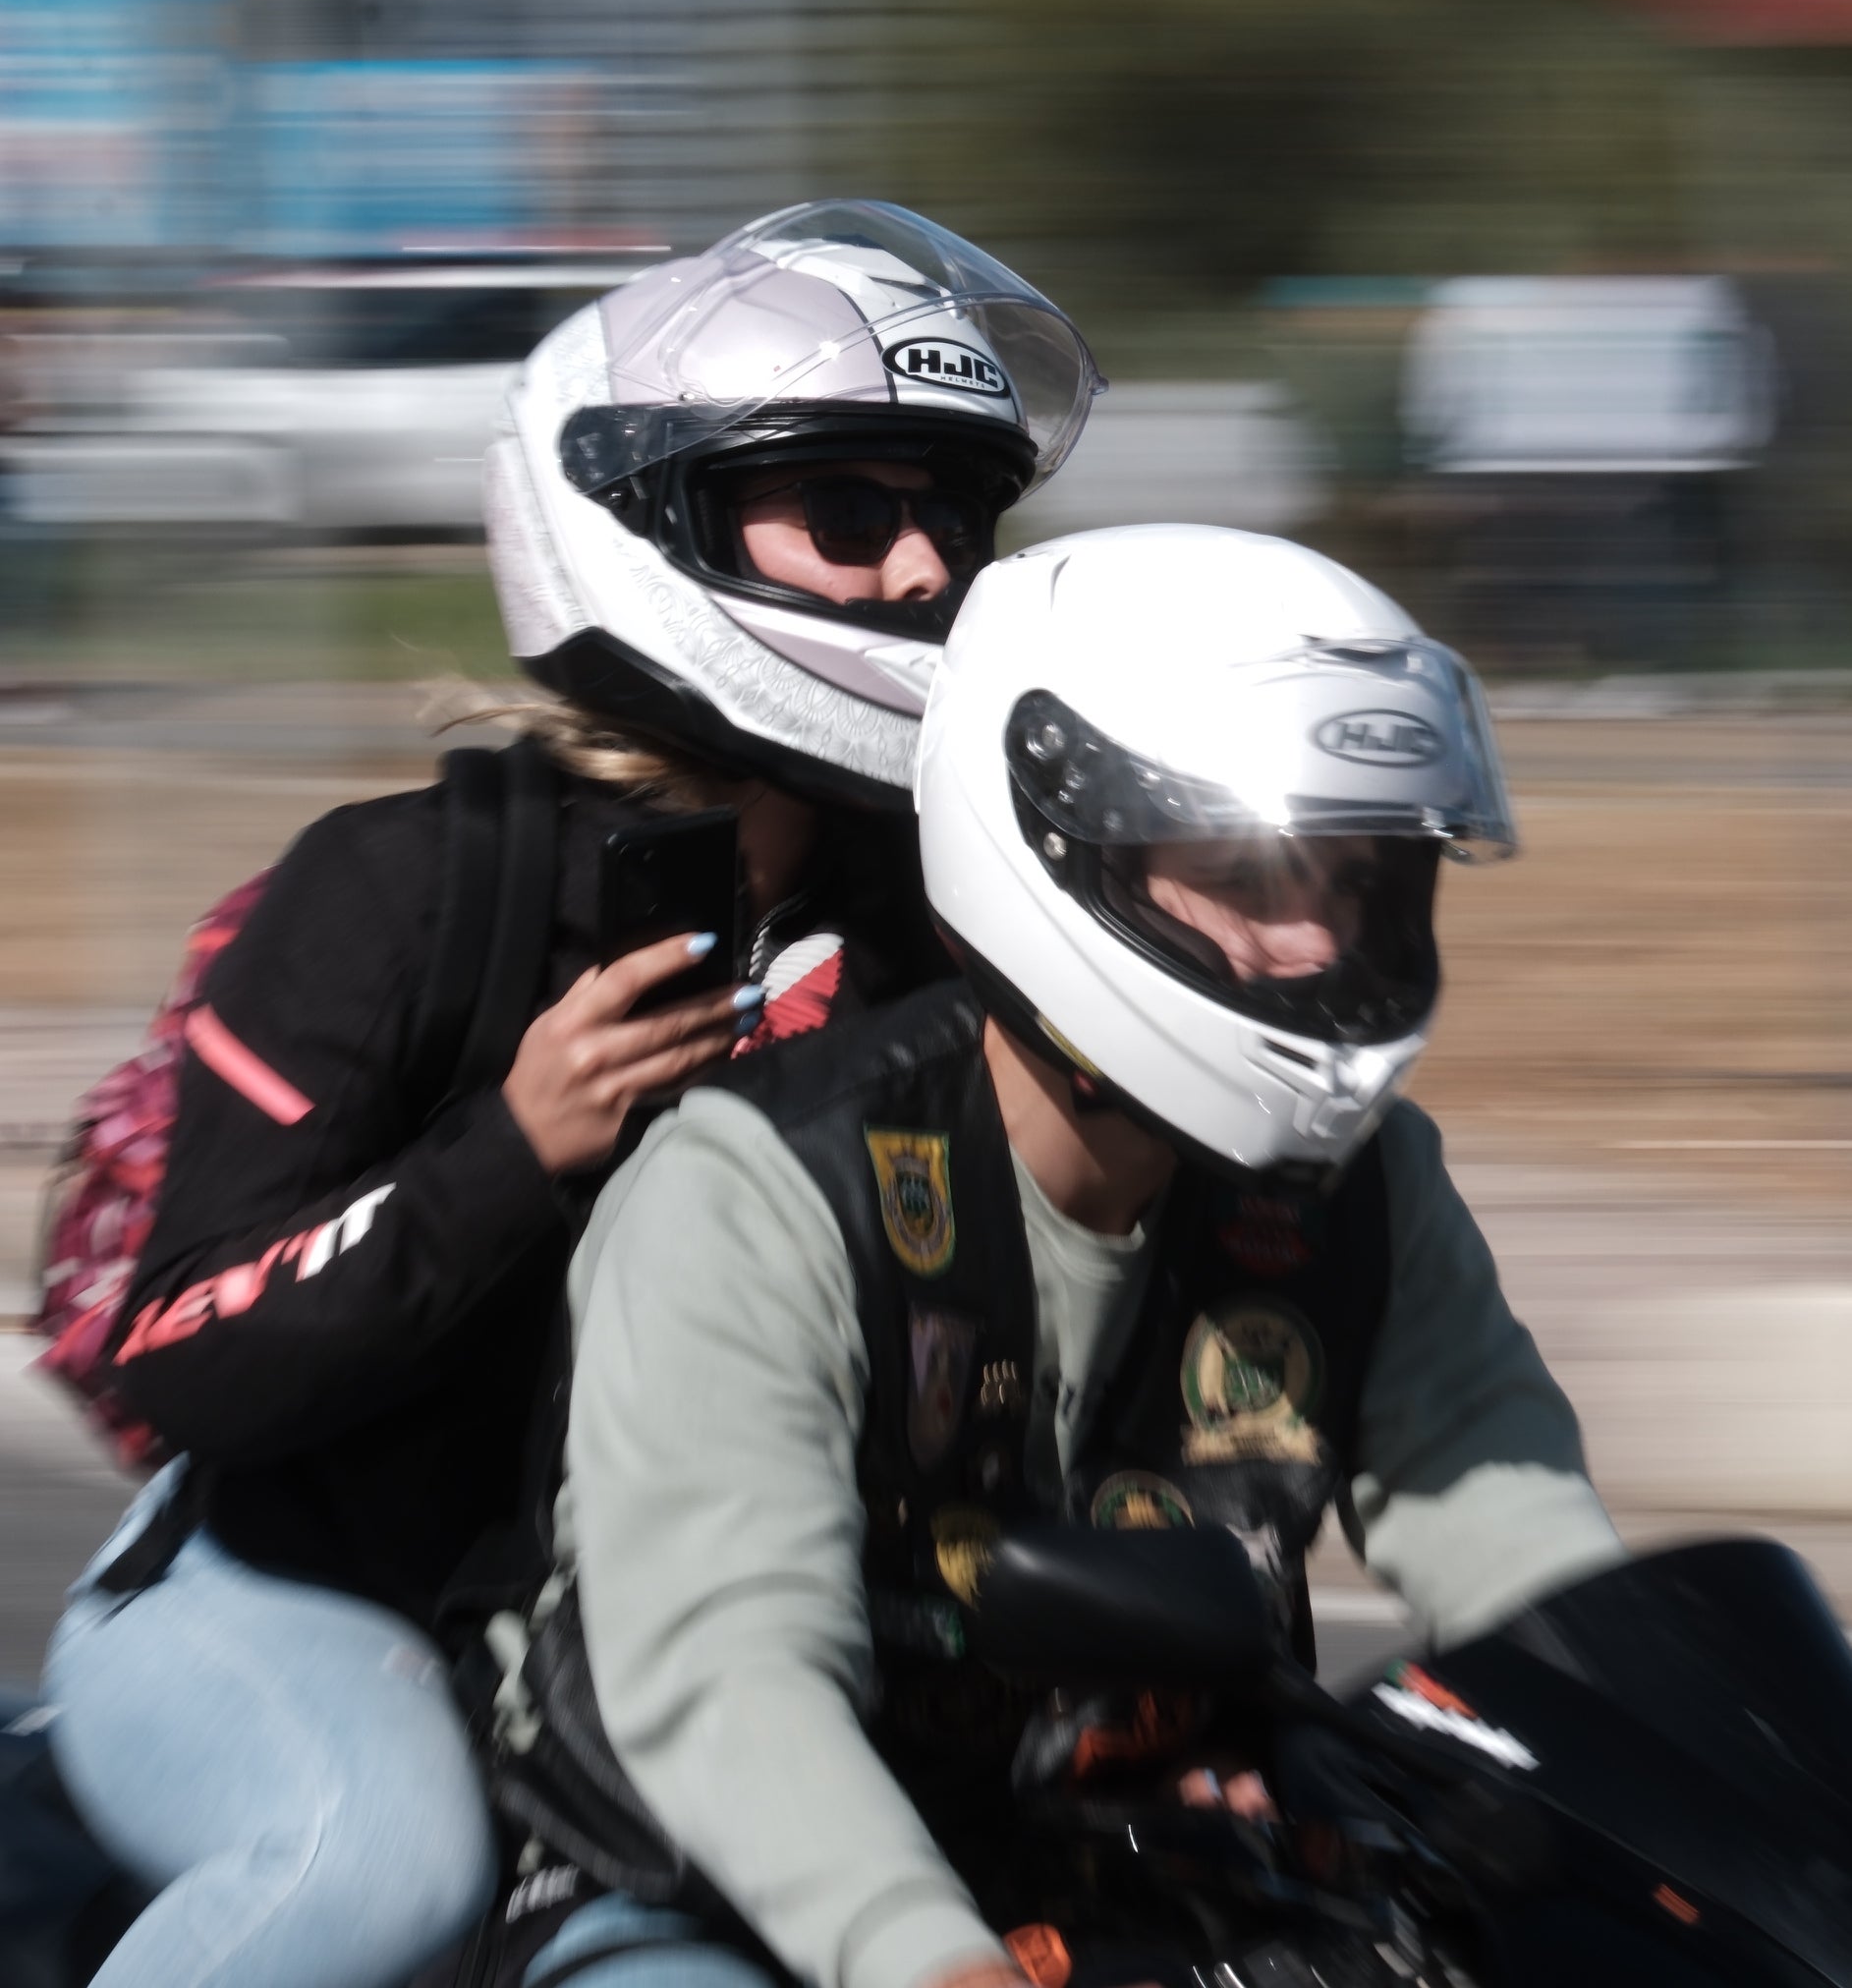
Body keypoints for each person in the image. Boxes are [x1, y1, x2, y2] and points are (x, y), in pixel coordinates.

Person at [40, 199, 1099, 1988]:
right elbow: (174, 1345)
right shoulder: (404, 892)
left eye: (956, 520)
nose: (925, 574)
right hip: (291, 1600)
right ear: (653, 514)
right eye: (853, 512)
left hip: (655, 1653)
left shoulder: (924, 941)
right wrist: (506, 1153)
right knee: (364, 1870)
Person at [531, 525, 1625, 1988]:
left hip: (1115, 1878)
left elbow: (1534, 1572)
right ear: (1057, 847)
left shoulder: (1363, 1192)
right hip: (700, 1894)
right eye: (1248, 871)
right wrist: (924, 1957)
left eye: (1353, 880)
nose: (1314, 945)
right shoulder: (761, 1189)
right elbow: (735, 1675)